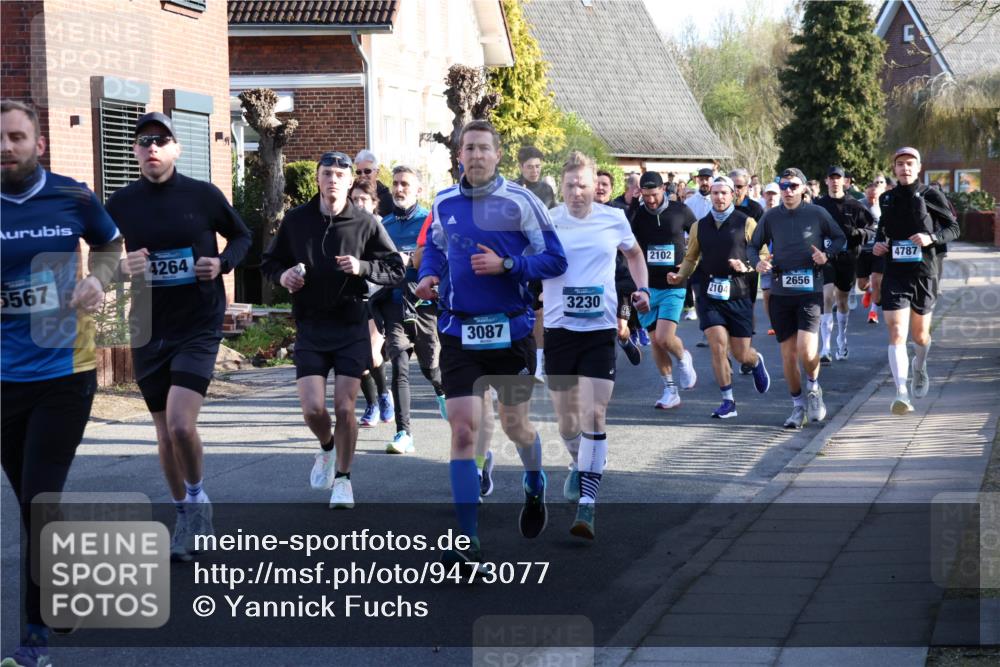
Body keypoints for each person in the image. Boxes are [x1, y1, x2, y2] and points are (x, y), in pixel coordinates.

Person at [1, 99, 124, 667]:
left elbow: (111, 245)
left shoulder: (73, 195)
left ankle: (34, 640)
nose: (6, 148)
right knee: (30, 504)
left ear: (38, 144)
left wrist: (98, 280)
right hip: (4, 378)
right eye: (0, 140)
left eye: (16, 137)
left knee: (39, 496)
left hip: (63, 372)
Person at [416, 120, 567, 567]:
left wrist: (507, 264)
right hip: (459, 330)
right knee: (463, 428)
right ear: (459, 155)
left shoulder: (521, 202)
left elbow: (555, 260)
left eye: (484, 148)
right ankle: (467, 542)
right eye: (469, 148)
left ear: (498, 155)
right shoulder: (443, 202)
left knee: (514, 425)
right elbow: (436, 249)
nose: (477, 155)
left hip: (511, 331)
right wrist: (428, 274)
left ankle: (534, 481)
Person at [108, 112, 252, 561]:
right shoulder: (119, 203)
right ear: (135, 151)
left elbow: (244, 236)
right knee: (163, 434)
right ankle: (185, 514)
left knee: (179, 423)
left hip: (197, 324)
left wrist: (222, 264)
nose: (152, 147)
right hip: (148, 326)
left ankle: (197, 496)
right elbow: (98, 263)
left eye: (161, 140)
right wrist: (119, 267)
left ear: (176, 148)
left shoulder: (202, 195)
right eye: (144, 141)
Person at [261, 151, 404, 508]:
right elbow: (269, 261)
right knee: (312, 410)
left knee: (345, 406)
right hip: (311, 324)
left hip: (351, 323)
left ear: (349, 180)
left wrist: (362, 267)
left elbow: (395, 270)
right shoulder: (297, 220)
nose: (333, 180)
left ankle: (343, 479)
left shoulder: (365, 223)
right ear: (318, 179)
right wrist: (283, 275)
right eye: (327, 174)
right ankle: (326, 447)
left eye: (340, 175)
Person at [543, 151, 649, 538]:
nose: (576, 192)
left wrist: (642, 289)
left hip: (599, 330)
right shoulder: (549, 220)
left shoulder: (614, 218)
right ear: (562, 186)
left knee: (595, 413)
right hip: (558, 330)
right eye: (570, 185)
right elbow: (526, 261)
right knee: (567, 421)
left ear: (595, 187)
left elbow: (634, 254)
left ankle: (588, 503)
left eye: (583, 185)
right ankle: (577, 463)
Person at [748, 168, 846, 429]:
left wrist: (826, 256)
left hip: (809, 290)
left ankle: (814, 388)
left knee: (806, 349)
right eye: (783, 186)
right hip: (781, 292)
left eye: (793, 186)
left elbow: (839, 238)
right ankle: (797, 406)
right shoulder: (770, 217)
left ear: (803, 188)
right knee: (788, 355)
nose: (788, 191)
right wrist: (757, 262)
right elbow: (752, 245)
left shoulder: (817, 213)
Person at [668, 176, 771, 418]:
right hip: (708, 291)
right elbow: (692, 257)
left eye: (724, 193)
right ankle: (728, 401)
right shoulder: (699, 226)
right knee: (717, 345)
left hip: (739, 292)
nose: (719, 197)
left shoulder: (746, 223)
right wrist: (680, 275)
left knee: (740, 353)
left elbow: (764, 255)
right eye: (715, 193)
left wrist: (745, 265)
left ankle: (755, 362)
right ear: (711, 196)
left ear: (732, 195)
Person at [872, 147, 959, 415]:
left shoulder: (931, 194)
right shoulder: (887, 198)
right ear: (894, 168)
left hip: (924, 272)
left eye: (910, 163)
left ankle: (919, 368)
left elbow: (954, 228)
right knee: (897, 332)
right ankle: (901, 392)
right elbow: (882, 231)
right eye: (900, 164)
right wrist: (879, 245)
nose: (905, 168)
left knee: (920, 336)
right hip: (895, 273)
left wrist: (930, 238)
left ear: (918, 166)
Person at [371, 165, 447, 454]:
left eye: (405, 184)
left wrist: (414, 263)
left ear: (418, 190)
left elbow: (440, 261)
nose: (399, 189)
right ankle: (404, 433)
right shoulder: (383, 225)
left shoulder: (430, 221)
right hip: (394, 305)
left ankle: (442, 391)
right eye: (396, 184)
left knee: (431, 368)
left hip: (425, 307)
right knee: (399, 367)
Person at [632, 171, 698, 409]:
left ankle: (683, 357)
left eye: (654, 194)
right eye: (646, 195)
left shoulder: (680, 210)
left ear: (664, 190)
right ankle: (670, 390)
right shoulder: (639, 215)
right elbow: (632, 249)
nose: (650, 200)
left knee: (664, 337)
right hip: (648, 287)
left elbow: (699, 237)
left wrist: (689, 264)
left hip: (674, 284)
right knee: (655, 341)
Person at [814, 165, 876, 363]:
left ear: (844, 181)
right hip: (826, 258)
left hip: (847, 258)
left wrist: (860, 234)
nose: (834, 181)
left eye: (838, 178)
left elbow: (872, 227)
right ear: (826, 181)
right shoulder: (819, 205)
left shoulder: (854, 205)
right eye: (831, 178)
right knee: (826, 298)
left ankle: (842, 339)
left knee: (841, 301)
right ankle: (825, 348)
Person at [349, 178, 394, 428]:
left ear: (374, 203)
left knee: (369, 354)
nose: (358, 204)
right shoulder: (343, 227)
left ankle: (381, 398)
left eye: (363, 199)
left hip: (377, 300)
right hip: (352, 302)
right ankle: (375, 401)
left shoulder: (378, 228)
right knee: (360, 357)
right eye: (354, 199)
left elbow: (391, 265)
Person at [515, 145, 557, 382]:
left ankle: (539, 364)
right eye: (530, 167)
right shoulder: (512, 188)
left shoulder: (546, 189)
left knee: (539, 312)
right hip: (519, 258)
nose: (534, 171)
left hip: (540, 258)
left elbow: (551, 221)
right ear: (521, 167)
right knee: (519, 310)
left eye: (538, 167)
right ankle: (521, 361)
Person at [598, 169, 642, 365]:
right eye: (596, 184)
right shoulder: (580, 215)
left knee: (619, 328)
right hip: (595, 280)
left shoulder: (619, 212)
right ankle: (604, 365)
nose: (600, 188)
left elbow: (634, 218)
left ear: (611, 188)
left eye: (604, 184)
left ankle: (625, 341)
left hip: (621, 279)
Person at [858, 175, 887, 325]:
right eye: (870, 195)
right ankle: (868, 292)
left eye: (875, 196)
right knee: (862, 285)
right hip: (862, 250)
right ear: (865, 193)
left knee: (877, 281)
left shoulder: (884, 206)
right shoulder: (858, 205)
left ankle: (873, 312)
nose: (872, 199)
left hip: (879, 249)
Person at [354, 149, 394, 216]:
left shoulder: (388, 198)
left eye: (367, 171)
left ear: (377, 172)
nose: (362, 175)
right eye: (359, 172)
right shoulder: (351, 195)